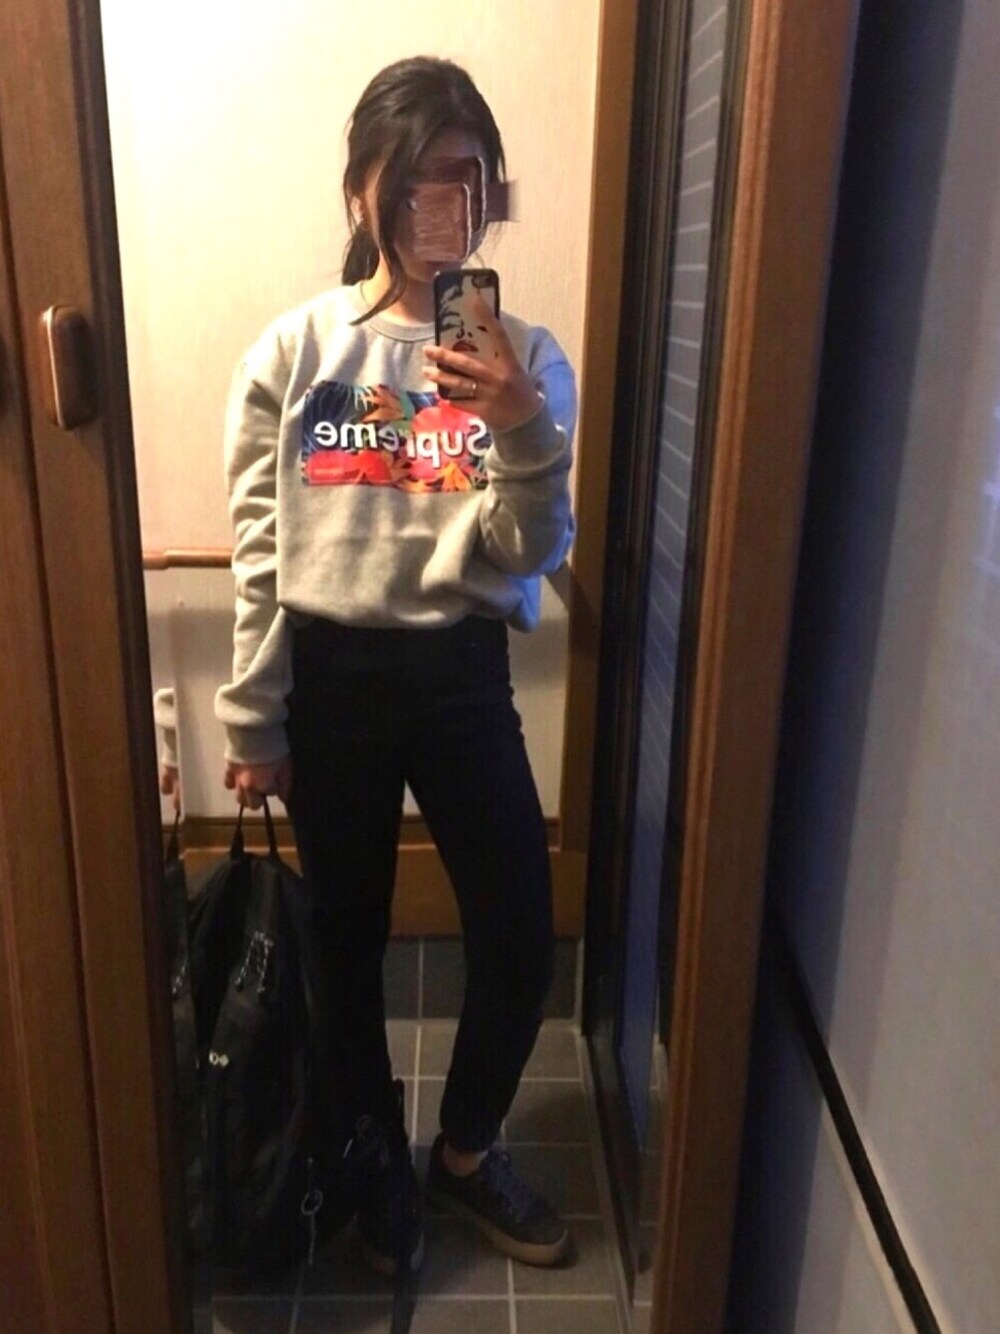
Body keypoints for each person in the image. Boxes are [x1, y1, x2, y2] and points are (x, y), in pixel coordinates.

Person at [214, 55, 577, 1278]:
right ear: (362, 190)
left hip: (463, 679)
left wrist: (518, 422)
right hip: (331, 685)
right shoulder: (294, 352)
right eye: (418, 176)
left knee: (520, 932)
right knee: (345, 946)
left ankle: (462, 1151)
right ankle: (369, 1152)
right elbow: (261, 552)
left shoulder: (526, 357)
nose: (443, 202)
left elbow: (529, 548)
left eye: (466, 178)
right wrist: (254, 718)